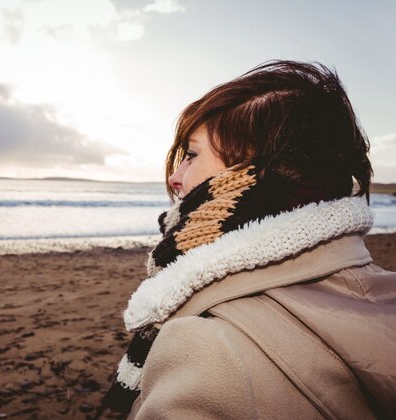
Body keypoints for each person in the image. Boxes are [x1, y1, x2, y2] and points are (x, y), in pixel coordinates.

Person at [98, 60, 396, 419]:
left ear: (258, 171)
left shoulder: (208, 347)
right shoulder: (381, 293)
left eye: (191, 155)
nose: (176, 178)